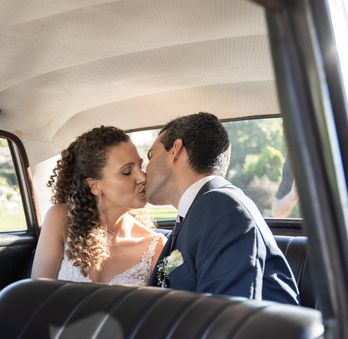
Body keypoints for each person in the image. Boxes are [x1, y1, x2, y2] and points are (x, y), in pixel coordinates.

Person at [145, 112, 299, 304]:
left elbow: (225, 316)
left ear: (175, 150)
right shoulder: (199, 210)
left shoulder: (220, 207)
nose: (146, 169)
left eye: (150, 155)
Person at [31, 126, 166, 286]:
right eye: (127, 171)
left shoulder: (155, 245)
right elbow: (37, 296)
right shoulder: (61, 219)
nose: (142, 177)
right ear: (94, 185)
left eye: (140, 165)